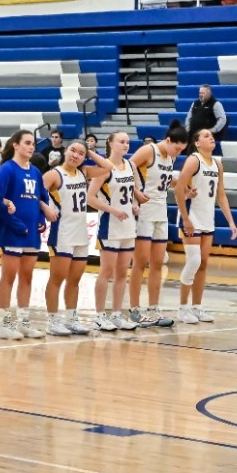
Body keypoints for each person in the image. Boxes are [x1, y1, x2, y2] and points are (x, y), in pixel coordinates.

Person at [0, 129, 54, 340]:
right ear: (16, 145)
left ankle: (24, 320)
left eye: (33, 144)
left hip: (30, 234)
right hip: (12, 232)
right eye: (27, 142)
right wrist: (16, 224)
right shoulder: (7, 170)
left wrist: (40, 221)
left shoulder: (36, 172)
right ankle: (3, 323)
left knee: (27, 276)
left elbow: (41, 200)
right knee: (8, 276)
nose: (31, 146)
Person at [173, 127, 237, 322]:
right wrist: (185, 219)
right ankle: (182, 308)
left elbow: (221, 195)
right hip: (191, 217)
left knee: (203, 264)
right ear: (197, 142)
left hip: (208, 218)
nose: (211, 138)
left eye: (212, 135)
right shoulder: (194, 160)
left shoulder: (217, 164)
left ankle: (197, 307)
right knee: (193, 262)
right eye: (206, 136)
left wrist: (231, 222)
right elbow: (178, 188)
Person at [41, 139, 102, 335]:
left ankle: (71, 319)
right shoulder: (54, 174)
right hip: (62, 233)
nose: (75, 155)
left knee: (75, 280)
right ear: (65, 151)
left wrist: (90, 152)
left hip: (81, 233)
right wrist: (45, 209)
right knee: (57, 278)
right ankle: (52, 320)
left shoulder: (84, 173)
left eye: (80, 153)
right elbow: (32, 194)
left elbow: (107, 168)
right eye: (73, 150)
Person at [129, 125, 187, 326]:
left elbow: (164, 178)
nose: (178, 154)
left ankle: (153, 308)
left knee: (158, 262)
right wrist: (136, 192)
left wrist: (181, 186)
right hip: (144, 210)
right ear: (169, 141)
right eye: (178, 149)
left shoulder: (171, 157)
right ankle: (134, 309)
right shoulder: (149, 150)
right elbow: (128, 167)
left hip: (161, 210)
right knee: (140, 262)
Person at [91, 130, 140, 331]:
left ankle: (118, 314)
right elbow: (90, 197)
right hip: (110, 226)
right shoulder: (104, 167)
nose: (125, 145)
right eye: (121, 141)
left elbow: (134, 192)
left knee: (122, 273)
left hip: (128, 226)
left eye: (127, 142)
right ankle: (100, 315)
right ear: (111, 143)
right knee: (107, 271)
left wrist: (136, 204)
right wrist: (112, 210)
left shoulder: (131, 165)